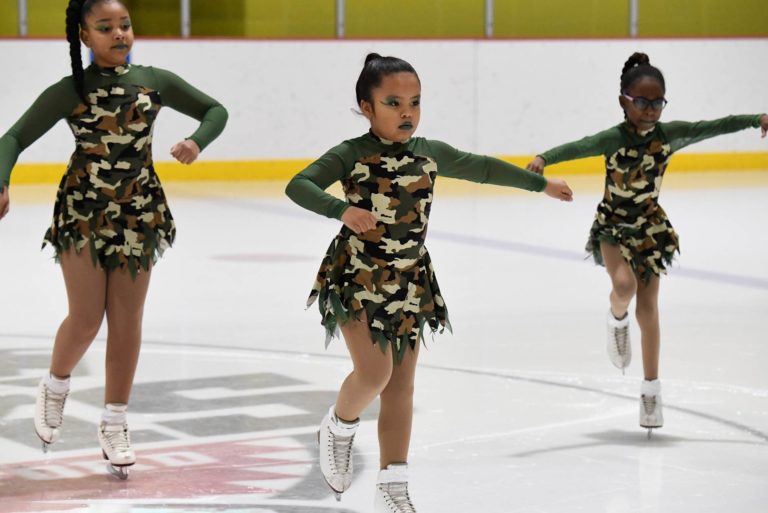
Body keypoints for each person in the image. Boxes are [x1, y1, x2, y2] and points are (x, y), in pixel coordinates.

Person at [285, 53, 573, 512]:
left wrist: (541, 185)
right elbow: (299, 185)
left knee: (401, 387)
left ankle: (393, 488)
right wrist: (341, 210)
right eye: (393, 103)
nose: (407, 112)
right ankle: (338, 426)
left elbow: (483, 168)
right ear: (366, 107)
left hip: (410, 279)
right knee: (374, 374)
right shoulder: (351, 154)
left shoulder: (429, 153)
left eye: (415, 102)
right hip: (357, 276)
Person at [0, 0, 227, 478]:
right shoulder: (71, 90)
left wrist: (196, 141)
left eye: (124, 24)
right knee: (86, 318)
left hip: (139, 210)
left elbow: (215, 109)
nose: (119, 34)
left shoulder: (154, 81)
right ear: (84, 36)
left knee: (126, 320)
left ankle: (115, 421)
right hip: (83, 210)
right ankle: (55, 385)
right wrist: (2, 180)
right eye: (105, 28)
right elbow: (12, 138)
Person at [526, 52, 767, 436]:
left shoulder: (668, 136)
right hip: (612, 228)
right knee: (624, 287)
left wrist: (756, 119)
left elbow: (714, 126)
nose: (650, 110)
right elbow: (578, 146)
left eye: (658, 102)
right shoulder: (612, 139)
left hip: (651, 230)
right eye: (641, 102)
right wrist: (544, 158)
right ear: (624, 101)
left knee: (649, 307)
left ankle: (651, 390)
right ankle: (616, 320)